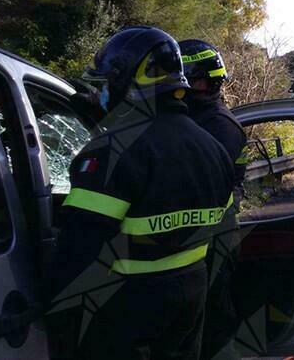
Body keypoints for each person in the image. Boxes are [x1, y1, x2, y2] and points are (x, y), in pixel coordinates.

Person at [45, 26, 235, 360]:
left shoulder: (111, 152)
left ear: (127, 84)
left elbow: (78, 253)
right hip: (192, 296)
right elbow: (225, 235)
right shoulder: (213, 148)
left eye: (107, 86)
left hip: (125, 310)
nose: (103, 94)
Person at [178, 39, 248, 360]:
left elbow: (195, 186)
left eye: (193, 81)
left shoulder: (220, 126)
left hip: (214, 237)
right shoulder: (194, 120)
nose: (187, 88)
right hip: (195, 238)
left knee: (214, 317)